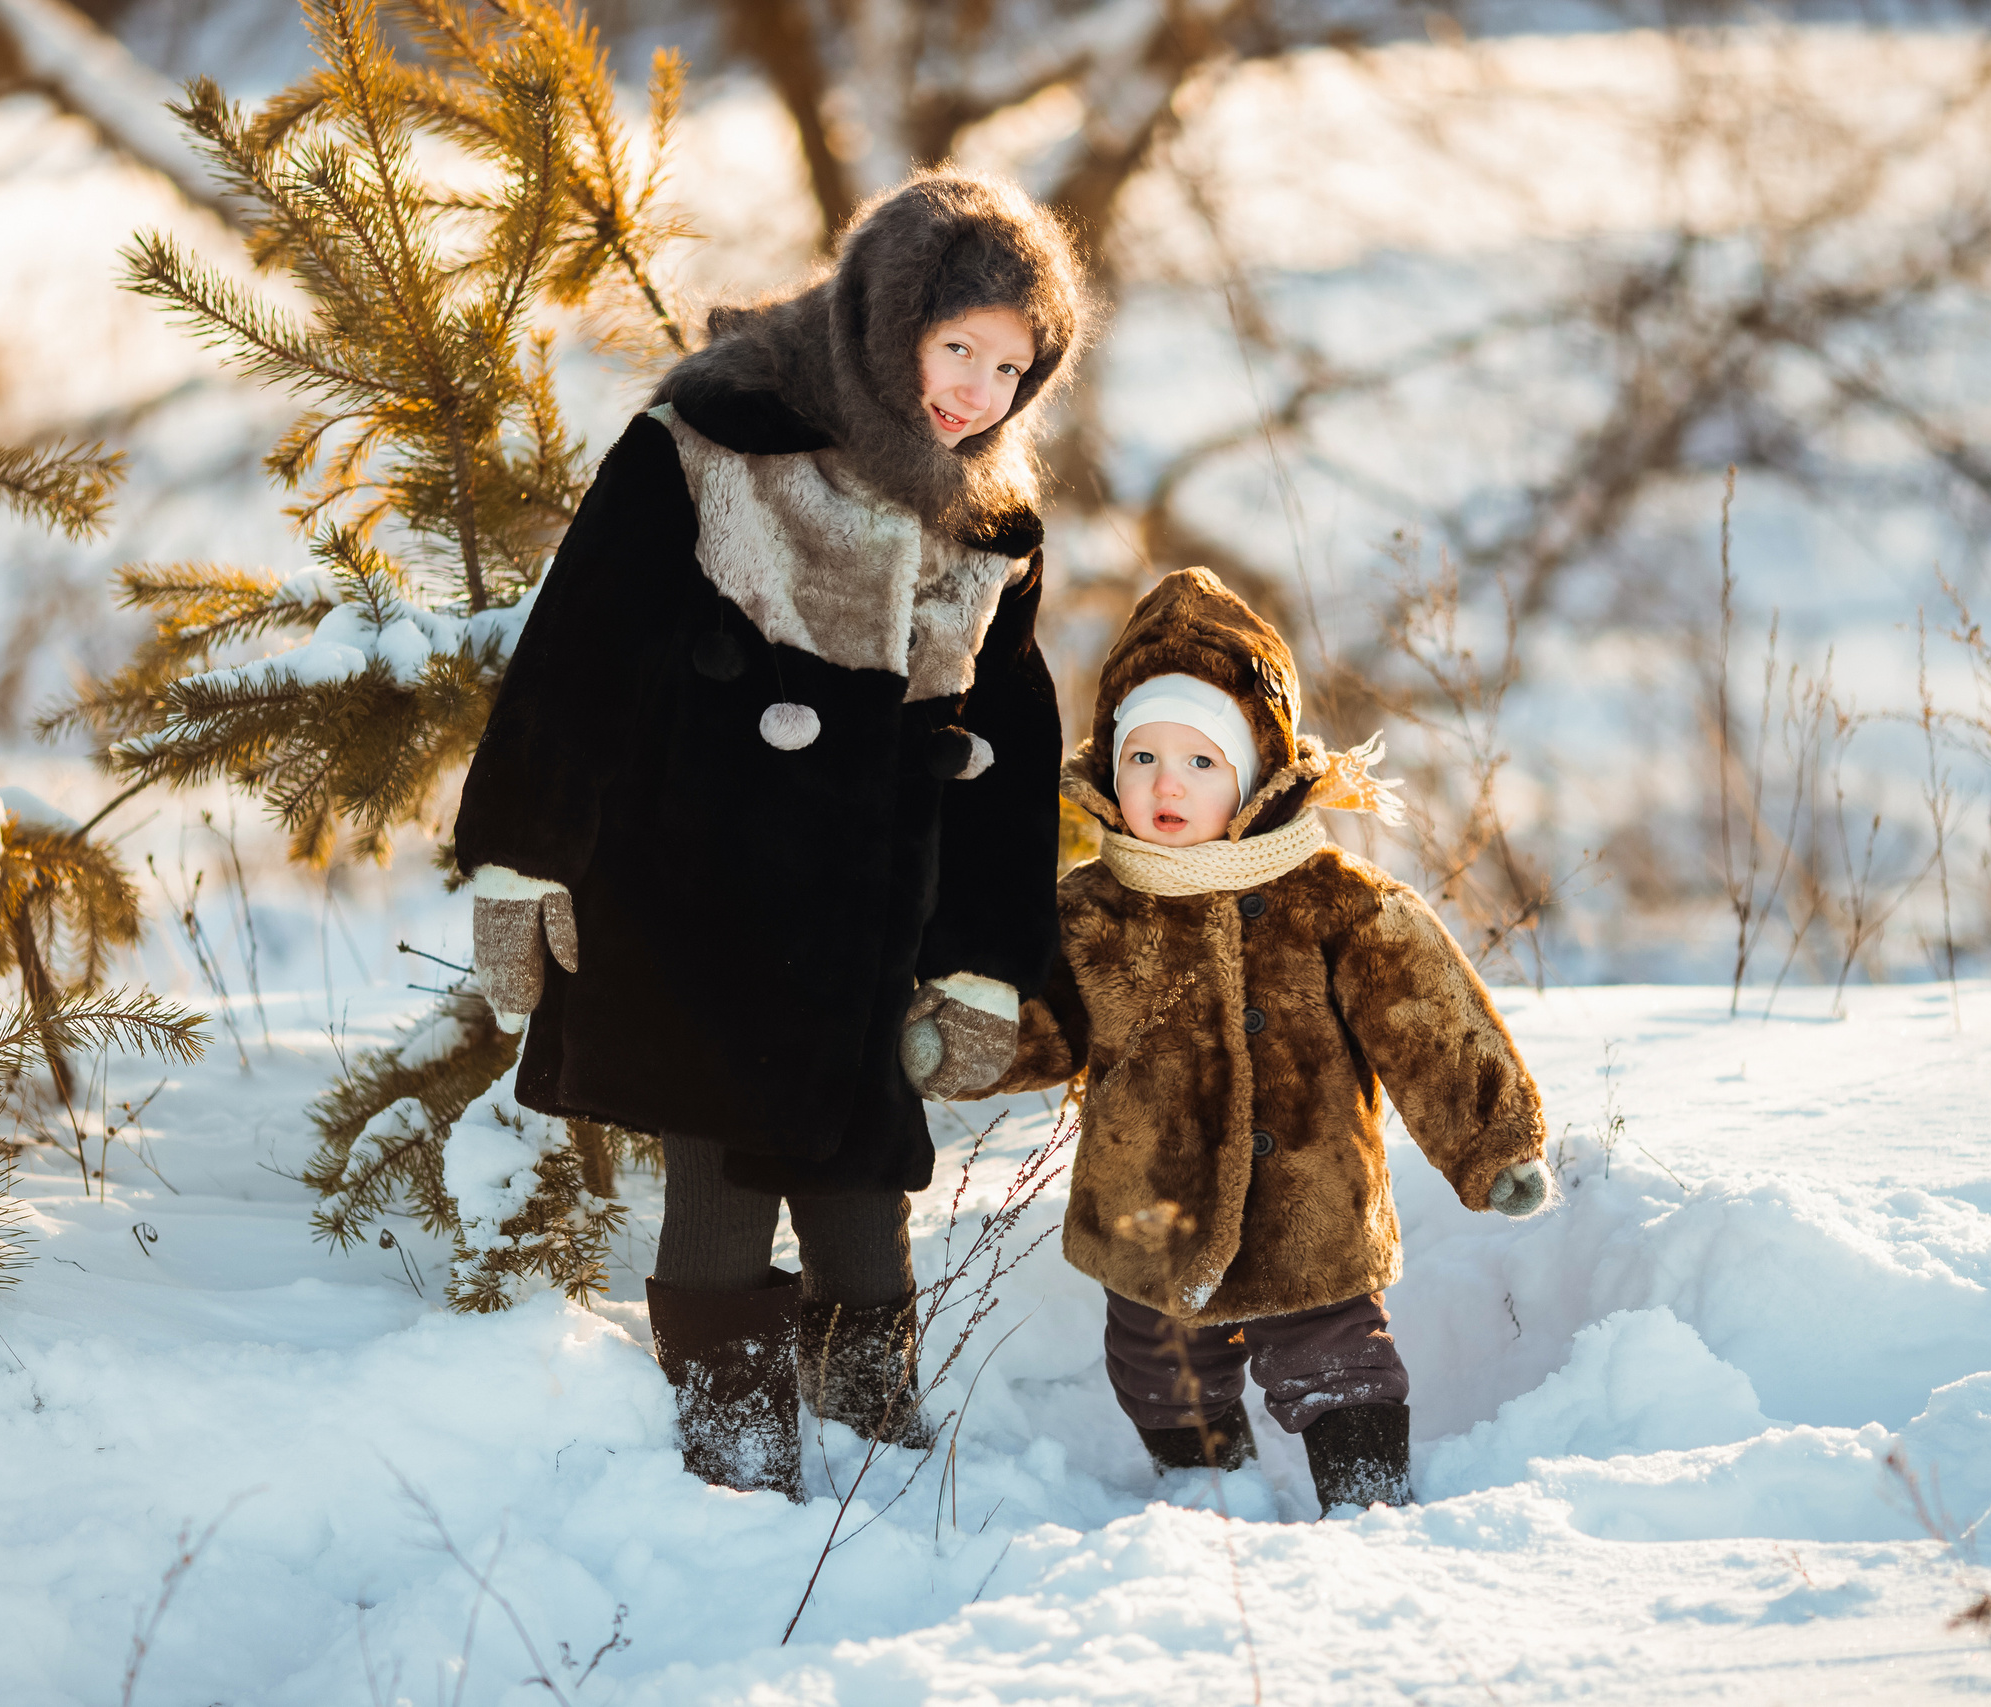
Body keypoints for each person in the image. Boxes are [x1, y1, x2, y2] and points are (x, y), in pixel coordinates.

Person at [451, 171, 1090, 1499]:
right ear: (893, 315)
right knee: (719, 1176)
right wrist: (521, 856)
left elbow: (1010, 756)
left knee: (863, 1196)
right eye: (957, 345)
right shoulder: (719, 434)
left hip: (867, 921)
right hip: (696, 889)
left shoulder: (991, 519)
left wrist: (984, 962)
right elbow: (580, 646)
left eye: (1011, 368)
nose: (977, 390)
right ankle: (734, 1460)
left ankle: (872, 1457)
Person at [915, 567, 1552, 1514]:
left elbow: (1429, 1021)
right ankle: (1209, 1495)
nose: (1165, 783)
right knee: (1157, 1371)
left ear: (1255, 773)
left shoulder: (1335, 900)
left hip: (1311, 1206)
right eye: (1141, 756)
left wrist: (1494, 1142)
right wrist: (963, 1045)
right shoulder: (1093, 909)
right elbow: (1045, 1021)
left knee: (1340, 1362)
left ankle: (1370, 1503)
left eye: (1201, 761)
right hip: (1149, 1210)